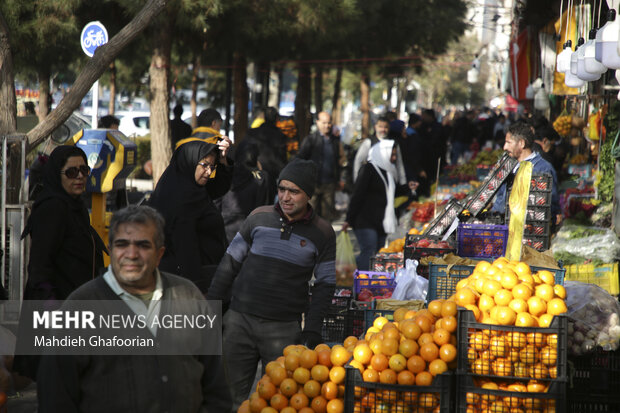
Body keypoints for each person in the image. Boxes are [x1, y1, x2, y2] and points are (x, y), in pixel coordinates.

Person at [36, 205, 232, 412]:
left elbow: (217, 389)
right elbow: (55, 398)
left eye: (143, 245)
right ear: (110, 250)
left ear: (159, 254)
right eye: (122, 244)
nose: (132, 254)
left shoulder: (189, 297)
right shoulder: (79, 308)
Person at [207, 158, 336, 411]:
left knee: (278, 401)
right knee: (229, 398)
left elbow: (325, 284)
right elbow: (229, 263)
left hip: (283, 329)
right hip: (238, 322)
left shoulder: (323, 232)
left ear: (308, 195)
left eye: (294, 191)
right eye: (282, 189)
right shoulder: (258, 217)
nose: (286, 197)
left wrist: (312, 327)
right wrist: (212, 306)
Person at [14, 146, 107, 380]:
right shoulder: (53, 207)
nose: (79, 177)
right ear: (57, 174)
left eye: (84, 171)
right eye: (71, 172)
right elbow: (39, 266)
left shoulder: (73, 205)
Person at [149, 139, 233, 293]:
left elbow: (220, 186)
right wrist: (193, 289)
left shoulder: (193, 189)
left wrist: (222, 160)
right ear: (189, 162)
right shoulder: (182, 198)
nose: (209, 172)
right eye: (205, 165)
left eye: (212, 167)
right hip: (190, 283)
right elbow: (185, 248)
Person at [342, 140, 412, 270]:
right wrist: (348, 219)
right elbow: (357, 195)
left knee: (378, 255)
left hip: (380, 222)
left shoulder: (388, 171)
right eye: (392, 155)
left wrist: (407, 187)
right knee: (369, 251)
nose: (394, 158)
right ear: (383, 153)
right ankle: (361, 281)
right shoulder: (368, 169)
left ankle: (368, 279)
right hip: (365, 221)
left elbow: (391, 192)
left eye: (395, 155)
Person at [491, 122, 560, 223]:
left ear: (522, 143)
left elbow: (550, 206)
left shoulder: (543, 169)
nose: (504, 147)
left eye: (508, 142)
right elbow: (500, 200)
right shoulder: (508, 166)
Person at [214, 139, 273, 243]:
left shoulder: (228, 172)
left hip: (224, 227)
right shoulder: (262, 177)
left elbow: (216, 200)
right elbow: (265, 204)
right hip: (250, 230)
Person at [297, 111, 345, 221]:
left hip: (329, 184)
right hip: (313, 183)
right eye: (324, 123)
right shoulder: (311, 139)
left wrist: (340, 179)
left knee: (327, 216)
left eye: (329, 123)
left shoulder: (335, 141)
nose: (327, 126)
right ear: (318, 123)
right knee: (310, 213)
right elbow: (300, 158)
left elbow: (340, 161)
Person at [245, 106, 288, 184]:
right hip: (273, 175)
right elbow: (283, 157)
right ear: (276, 119)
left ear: (264, 117)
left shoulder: (252, 133)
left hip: (254, 173)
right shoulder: (280, 136)